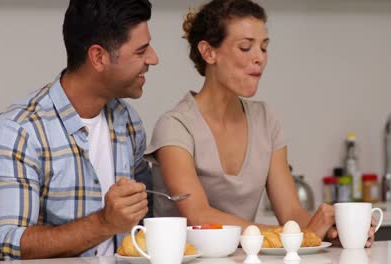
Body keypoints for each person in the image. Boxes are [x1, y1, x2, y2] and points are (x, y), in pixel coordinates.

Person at [145, 0, 376, 247]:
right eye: (245, 48)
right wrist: (298, 236)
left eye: (264, 48)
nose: (260, 59)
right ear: (209, 52)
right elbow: (199, 216)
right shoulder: (175, 126)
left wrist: (331, 230)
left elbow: (291, 214)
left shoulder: (265, 120)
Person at [0, 0, 158, 260]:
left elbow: (143, 216)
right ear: (99, 57)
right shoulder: (18, 132)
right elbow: (8, 244)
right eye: (141, 51)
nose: (153, 59)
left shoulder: (127, 121)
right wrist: (104, 222)